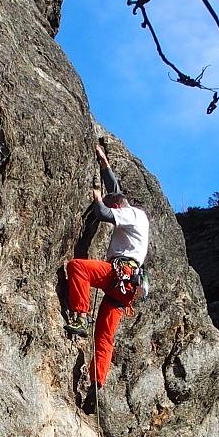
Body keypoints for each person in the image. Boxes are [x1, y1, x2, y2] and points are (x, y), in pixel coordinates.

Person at [65, 143, 150, 409]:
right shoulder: (136, 214)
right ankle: (97, 383)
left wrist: (96, 198)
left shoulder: (130, 215)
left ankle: (80, 316)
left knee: (77, 267)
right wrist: (103, 161)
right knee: (104, 337)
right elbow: (116, 192)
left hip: (119, 274)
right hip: (126, 290)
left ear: (120, 208)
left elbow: (104, 212)